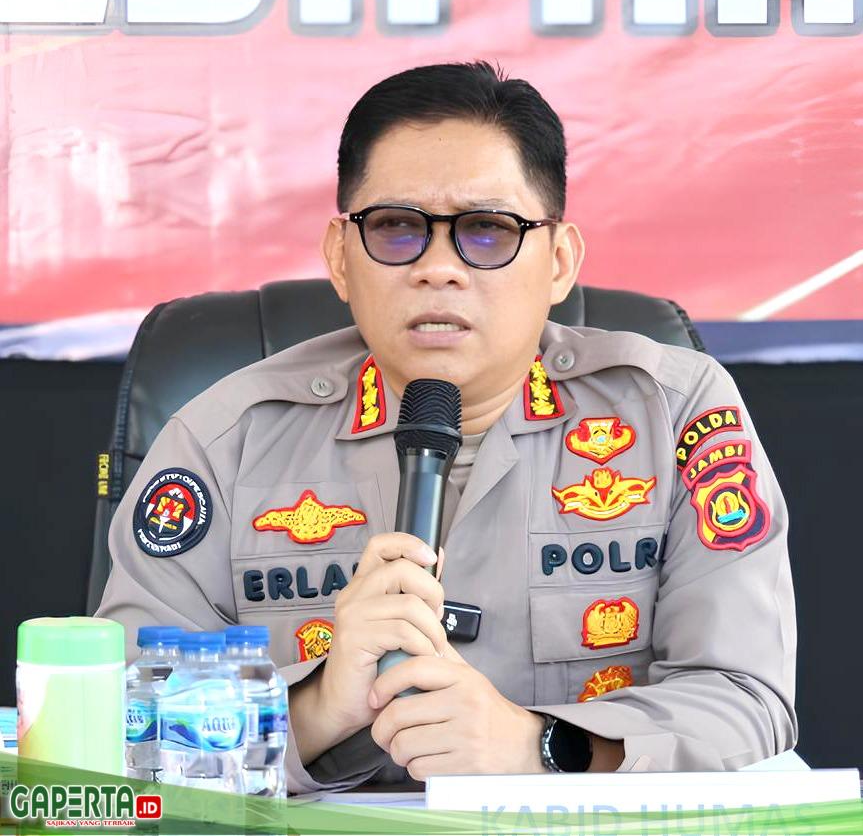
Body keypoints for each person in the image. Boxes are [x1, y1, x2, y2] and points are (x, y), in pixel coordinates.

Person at [97, 61, 797, 792]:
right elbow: (114, 723)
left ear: (559, 261)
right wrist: (314, 709)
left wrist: (541, 746)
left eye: (487, 231)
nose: (438, 268)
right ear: (341, 257)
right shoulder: (224, 440)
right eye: (396, 229)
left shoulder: (672, 410)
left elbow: (745, 698)